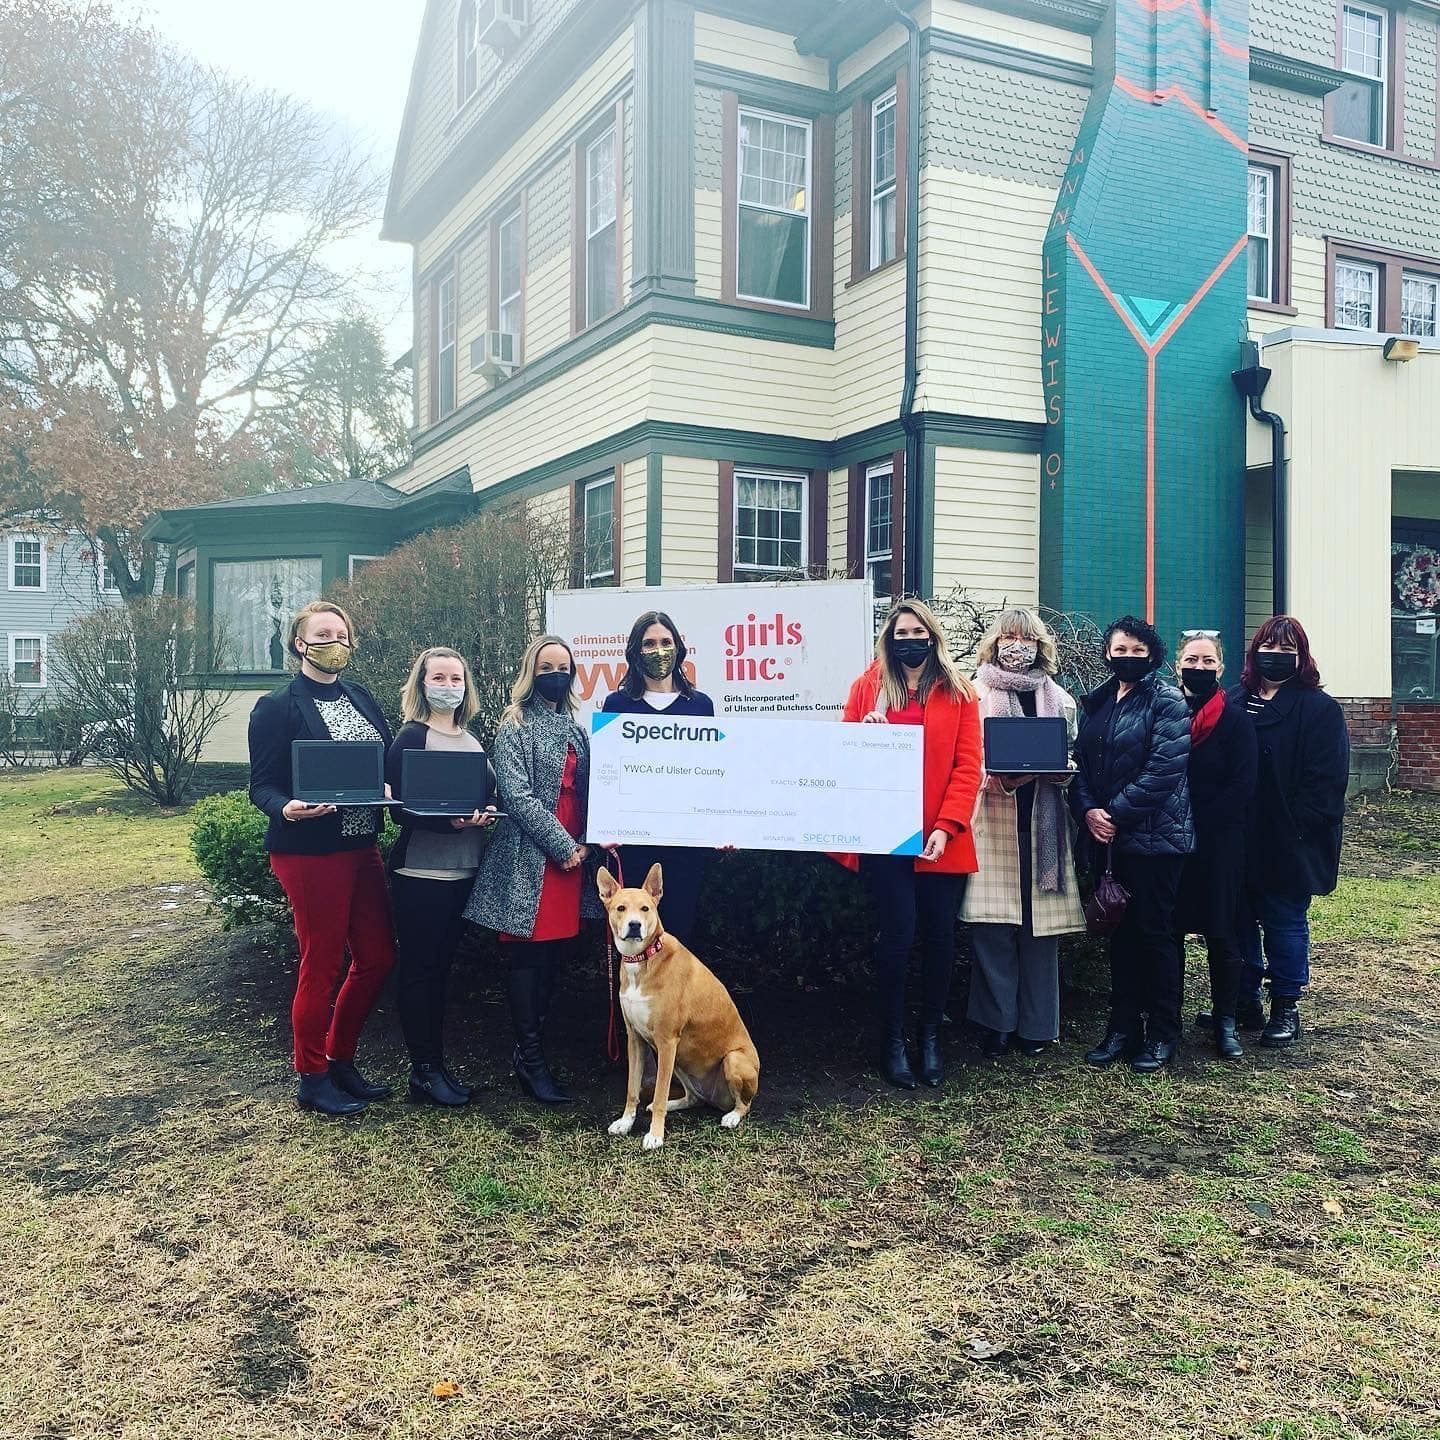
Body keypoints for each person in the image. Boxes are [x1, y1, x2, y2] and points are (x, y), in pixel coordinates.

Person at [247, 601, 396, 1116]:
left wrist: (387, 784)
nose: (336, 642)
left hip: (361, 844)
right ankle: (311, 1076)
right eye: (323, 633)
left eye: (343, 633)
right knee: (322, 963)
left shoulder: (360, 697)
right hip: (310, 852)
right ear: (299, 644)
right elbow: (260, 786)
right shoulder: (277, 705)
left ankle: (340, 1058)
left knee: (377, 957)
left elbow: (380, 759)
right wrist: (287, 808)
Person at [838, 599, 983, 1090]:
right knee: (897, 939)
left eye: (918, 631)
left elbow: (969, 766)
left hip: (943, 838)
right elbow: (844, 756)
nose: (910, 639)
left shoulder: (960, 691)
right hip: (888, 837)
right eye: (901, 631)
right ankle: (892, 1041)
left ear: (933, 636)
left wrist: (946, 826)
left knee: (940, 939)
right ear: (889, 638)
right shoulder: (868, 687)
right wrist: (864, 735)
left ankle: (930, 1038)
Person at [464, 634, 600, 1103]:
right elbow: (516, 797)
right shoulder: (514, 724)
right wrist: (563, 845)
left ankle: (533, 1052)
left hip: (574, 859)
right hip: (530, 859)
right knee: (526, 958)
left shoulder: (579, 727)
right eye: (546, 667)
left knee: (552, 959)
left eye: (563, 667)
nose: (555, 675)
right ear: (531, 672)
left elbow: (592, 791)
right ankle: (530, 1058)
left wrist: (586, 845)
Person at [1071, 615, 1193, 1074]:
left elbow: (1165, 769)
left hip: (1157, 840)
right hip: (1109, 839)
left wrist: (1115, 815)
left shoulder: (1166, 701)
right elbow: (1078, 762)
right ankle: (1122, 1029)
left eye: (1136, 651)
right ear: (1107, 652)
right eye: (1119, 650)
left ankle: (1163, 1033)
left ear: (1153, 655)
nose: (1126, 658)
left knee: (1155, 935)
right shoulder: (1099, 700)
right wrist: (1088, 811)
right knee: (1119, 937)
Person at [962, 608, 1084, 1058]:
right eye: (1009, 636)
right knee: (993, 928)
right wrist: (996, 778)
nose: (1018, 644)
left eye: (1027, 637)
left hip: (1045, 819)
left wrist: (1065, 772)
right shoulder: (974, 694)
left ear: (1040, 645)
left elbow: (1071, 753)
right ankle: (996, 1023)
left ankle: (1037, 1026)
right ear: (994, 642)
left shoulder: (1061, 699)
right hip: (993, 817)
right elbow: (965, 758)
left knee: (1040, 929)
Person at [1230, 615, 1349, 1048]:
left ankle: (1285, 1006)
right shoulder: (1235, 700)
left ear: (1301, 657)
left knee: (1284, 923)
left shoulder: (1318, 708)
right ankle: (1243, 1000)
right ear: (1254, 652)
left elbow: (1327, 780)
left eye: (1286, 651)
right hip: (1237, 836)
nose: (1275, 657)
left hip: (1289, 839)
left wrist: (1296, 828)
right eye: (1268, 648)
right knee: (1236, 923)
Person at [386, 647, 497, 1107]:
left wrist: (485, 814)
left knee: (441, 971)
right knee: (420, 973)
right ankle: (425, 1071)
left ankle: (435, 1067)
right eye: (439, 677)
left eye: (456, 678)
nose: (448, 686)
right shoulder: (410, 738)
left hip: (463, 871)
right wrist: (445, 823)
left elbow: (484, 795)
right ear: (422, 683)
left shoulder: (472, 741)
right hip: (420, 872)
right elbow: (398, 812)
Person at [599, 611, 716, 941]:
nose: (659, 650)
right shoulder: (617, 704)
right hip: (634, 840)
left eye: (666, 642)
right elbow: (609, 772)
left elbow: (712, 773)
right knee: (634, 940)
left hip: (685, 842)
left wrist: (720, 823)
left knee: (678, 936)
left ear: (679, 648)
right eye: (649, 644)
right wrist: (605, 825)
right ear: (635, 651)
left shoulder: (701, 706)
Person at [1172, 631, 1257, 1060]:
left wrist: (1202, 822)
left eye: (1208, 662)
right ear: (1177, 664)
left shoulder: (1236, 720)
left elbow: (1244, 784)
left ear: (1220, 669)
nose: (1199, 668)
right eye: (1192, 660)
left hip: (1219, 841)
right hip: (1169, 841)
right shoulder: (1166, 714)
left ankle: (1225, 1021)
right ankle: (1166, 1019)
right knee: (1168, 931)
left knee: (1222, 933)